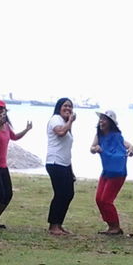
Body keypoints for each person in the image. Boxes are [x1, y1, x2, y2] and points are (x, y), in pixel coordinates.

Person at [0, 99, 32, 229]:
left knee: (8, 194)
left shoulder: (7, 126)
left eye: (1, 109)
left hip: (3, 165)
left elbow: (14, 137)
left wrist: (27, 130)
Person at [89, 110, 133, 235]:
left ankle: (115, 226)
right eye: (101, 119)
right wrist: (96, 149)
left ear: (110, 123)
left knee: (106, 200)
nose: (101, 121)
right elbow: (92, 148)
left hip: (118, 173)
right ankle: (111, 225)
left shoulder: (117, 136)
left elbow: (128, 145)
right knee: (99, 199)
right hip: (106, 171)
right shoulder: (99, 135)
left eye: (104, 119)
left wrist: (131, 149)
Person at [45, 97, 76, 236]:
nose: (68, 109)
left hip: (65, 164)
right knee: (60, 194)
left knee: (69, 193)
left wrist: (71, 169)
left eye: (70, 106)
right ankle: (53, 225)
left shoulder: (65, 123)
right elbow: (61, 132)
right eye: (65, 106)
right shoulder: (55, 119)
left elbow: (67, 148)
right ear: (59, 107)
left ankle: (59, 223)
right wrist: (70, 121)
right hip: (55, 162)